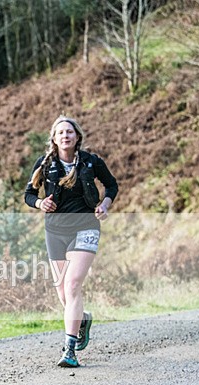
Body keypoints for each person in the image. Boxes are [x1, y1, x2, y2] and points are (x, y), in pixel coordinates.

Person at [24, 116, 118, 368]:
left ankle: (70, 350)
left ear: (77, 137)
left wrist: (105, 204)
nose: (65, 136)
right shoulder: (44, 164)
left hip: (85, 227)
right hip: (55, 231)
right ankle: (82, 319)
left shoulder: (91, 162)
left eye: (69, 132)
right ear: (54, 139)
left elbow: (111, 185)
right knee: (63, 291)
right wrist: (39, 203)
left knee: (73, 284)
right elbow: (29, 194)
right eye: (60, 132)